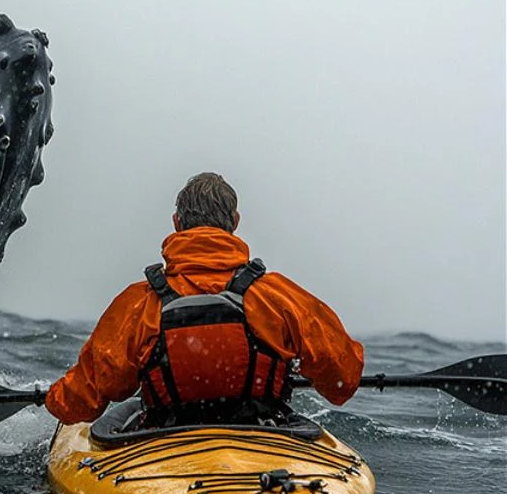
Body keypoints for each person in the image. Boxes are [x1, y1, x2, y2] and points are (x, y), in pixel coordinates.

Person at [45, 172, 364, 430]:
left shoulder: (139, 304)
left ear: (177, 222)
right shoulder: (278, 297)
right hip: (263, 437)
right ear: (235, 221)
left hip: (165, 442)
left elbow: (80, 402)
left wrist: (55, 399)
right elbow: (343, 379)